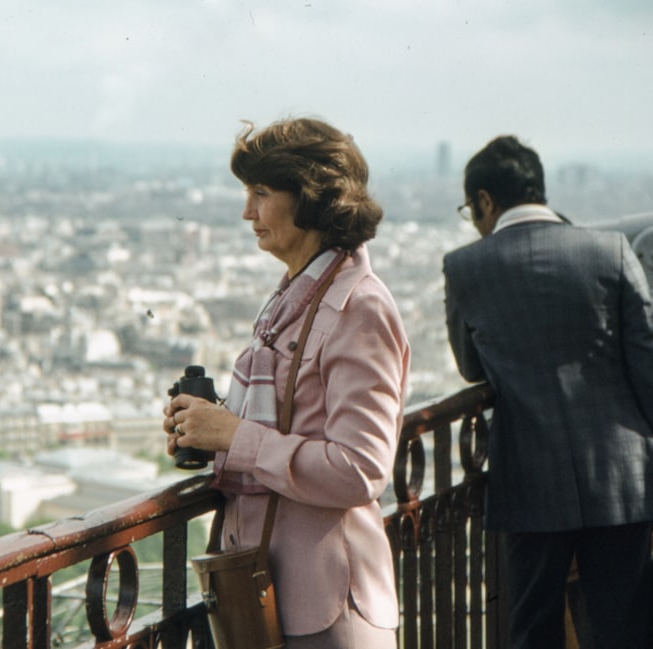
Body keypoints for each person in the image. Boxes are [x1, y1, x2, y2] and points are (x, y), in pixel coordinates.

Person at [162, 117, 409, 648]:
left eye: (260, 193)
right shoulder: (296, 297)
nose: (247, 211)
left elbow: (361, 469)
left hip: (327, 605)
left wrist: (233, 435)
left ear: (311, 200)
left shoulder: (358, 307)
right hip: (272, 593)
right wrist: (207, 429)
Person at [442, 135, 653, 649]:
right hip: (624, 477)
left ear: (486, 201)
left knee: (535, 626)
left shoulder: (466, 267)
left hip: (530, 478)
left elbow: (471, 368)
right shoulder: (610, 251)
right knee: (623, 626)